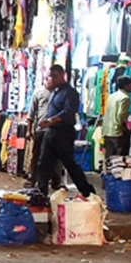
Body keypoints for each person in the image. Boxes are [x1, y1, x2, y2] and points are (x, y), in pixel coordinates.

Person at [34, 64, 96, 197]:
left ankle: (87, 191)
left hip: (63, 133)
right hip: (51, 132)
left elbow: (68, 112)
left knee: (69, 164)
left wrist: (50, 121)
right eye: (51, 76)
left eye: (55, 76)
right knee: (44, 163)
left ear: (63, 75)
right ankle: (41, 192)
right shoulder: (54, 92)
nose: (53, 79)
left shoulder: (70, 93)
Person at [26, 75, 61, 188]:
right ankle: (33, 179)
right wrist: (28, 130)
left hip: (54, 130)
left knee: (55, 157)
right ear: (46, 79)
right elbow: (31, 114)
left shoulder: (58, 94)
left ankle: (55, 181)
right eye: (52, 79)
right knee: (37, 156)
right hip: (41, 130)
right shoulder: (38, 93)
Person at [102, 75, 131, 157]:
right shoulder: (125, 98)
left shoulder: (112, 96)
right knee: (120, 160)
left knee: (109, 159)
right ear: (126, 85)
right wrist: (125, 129)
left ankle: (105, 170)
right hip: (118, 133)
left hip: (107, 131)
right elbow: (121, 116)